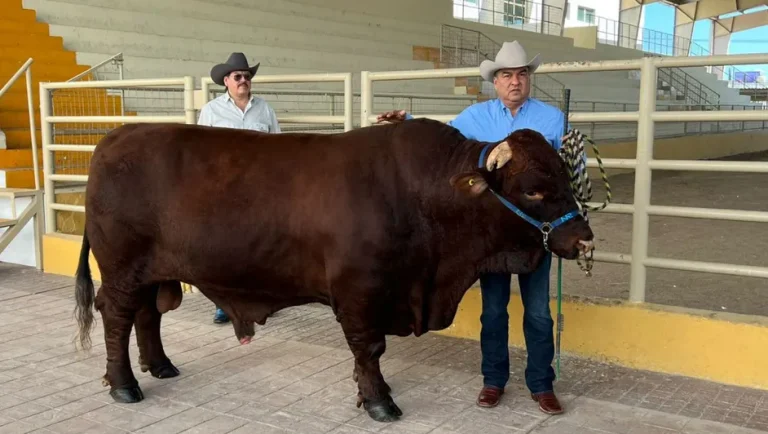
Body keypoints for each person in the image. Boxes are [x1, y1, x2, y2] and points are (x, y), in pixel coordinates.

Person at [376, 40, 569, 415]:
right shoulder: (475, 117)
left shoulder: (554, 120)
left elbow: (565, 179)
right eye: (507, 75)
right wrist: (409, 123)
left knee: (539, 312)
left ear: (529, 79)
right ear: (495, 82)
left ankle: (541, 384)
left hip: (536, 232)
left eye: (522, 74)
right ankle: (493, 380)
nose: (515, 81)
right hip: (493, 236)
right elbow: (444, 143)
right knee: (494, 310)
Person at [198, 52, 281, 324]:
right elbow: (201, 152)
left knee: (259, 242)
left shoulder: (265, 109)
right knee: (225, 245)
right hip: (224, 188)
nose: (244, 80)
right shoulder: (211, 111)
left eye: (247, 76)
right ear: (227, 81)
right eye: (238, 76)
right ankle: (225, 302)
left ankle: (258, 297)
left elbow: (278, 145)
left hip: (260, 188)